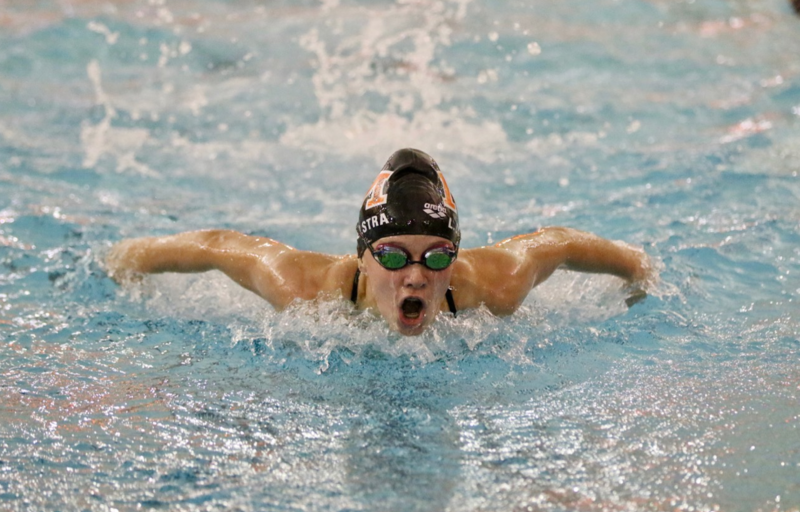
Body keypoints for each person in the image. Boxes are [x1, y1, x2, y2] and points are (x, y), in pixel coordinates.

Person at [106, 148, 652, 336]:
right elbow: (216, 245)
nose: (415, 275)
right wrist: (118, 262)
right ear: (363, 259)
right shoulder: (306, 290)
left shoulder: (493, 288)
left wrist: (639, 272)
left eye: (436, 256)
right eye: (392, 255)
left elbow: (553, 243)